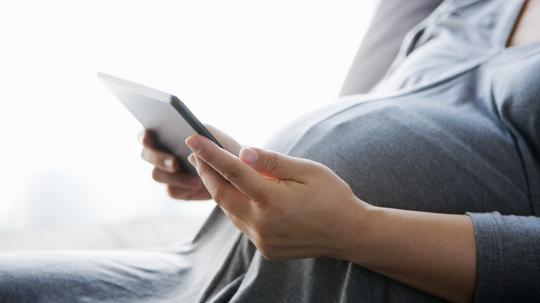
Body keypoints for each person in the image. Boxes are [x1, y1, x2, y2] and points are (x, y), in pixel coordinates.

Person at [1, 0, 539, 302]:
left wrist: (357, 231)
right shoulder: (469, 8)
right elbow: (392, 130)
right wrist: (243, 176)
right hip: (203, 272)